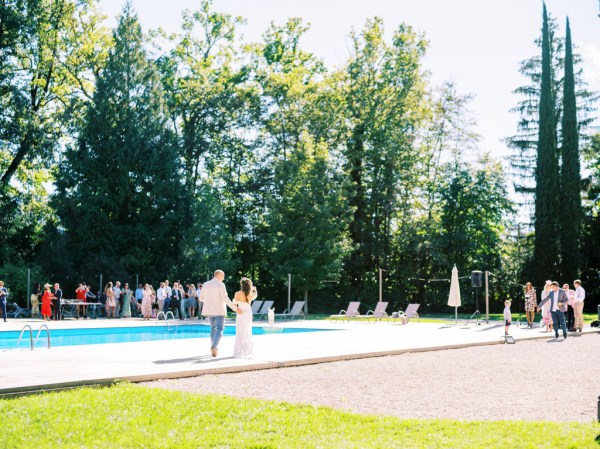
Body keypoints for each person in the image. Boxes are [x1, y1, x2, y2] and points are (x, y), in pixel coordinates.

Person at [198, 270, 242, 357]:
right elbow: (225, 298)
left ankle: (214, 347)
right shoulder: (220, 285)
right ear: (218, 275)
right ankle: (214, 346)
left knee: (213, 329)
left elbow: (201, 298)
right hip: (219, 310)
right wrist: (235, 308)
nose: (224, 278)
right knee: (219, 329)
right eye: (223, 276)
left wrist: (209, 300)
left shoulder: (206, 284)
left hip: (210, 311)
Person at [233, 277, 258, 358]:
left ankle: (240, 351)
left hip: (240, 312)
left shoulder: (237, 293)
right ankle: (248, 350)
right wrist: (254, 289)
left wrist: (235, 302)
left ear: (241, 284)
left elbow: (235, 303)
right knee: (247, 330)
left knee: (240, 330)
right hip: (248, 312)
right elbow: (256, 295)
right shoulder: (251, 294)